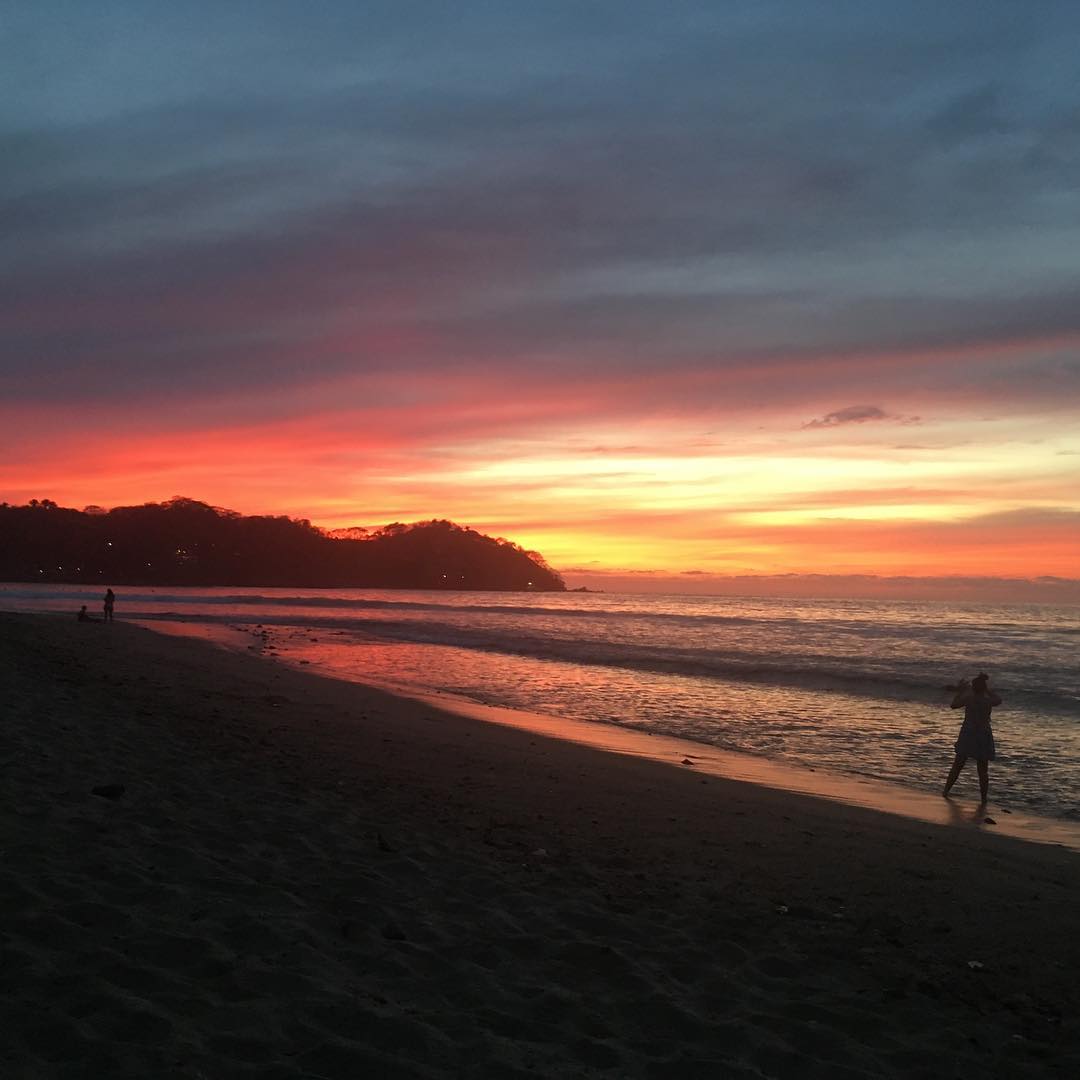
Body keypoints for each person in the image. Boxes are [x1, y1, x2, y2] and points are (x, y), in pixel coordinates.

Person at [943, 672, 1001, 803]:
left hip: (968, 733)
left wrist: (960, 691)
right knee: (982, 769)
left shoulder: (969, 699)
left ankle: (946, 791)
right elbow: (999, 700)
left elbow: (954, 705)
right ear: (983, 688)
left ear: (973, 688)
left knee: (958, 764)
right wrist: (988, 691)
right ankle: (984, 799)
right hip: (983, 733)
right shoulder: (988, 701)